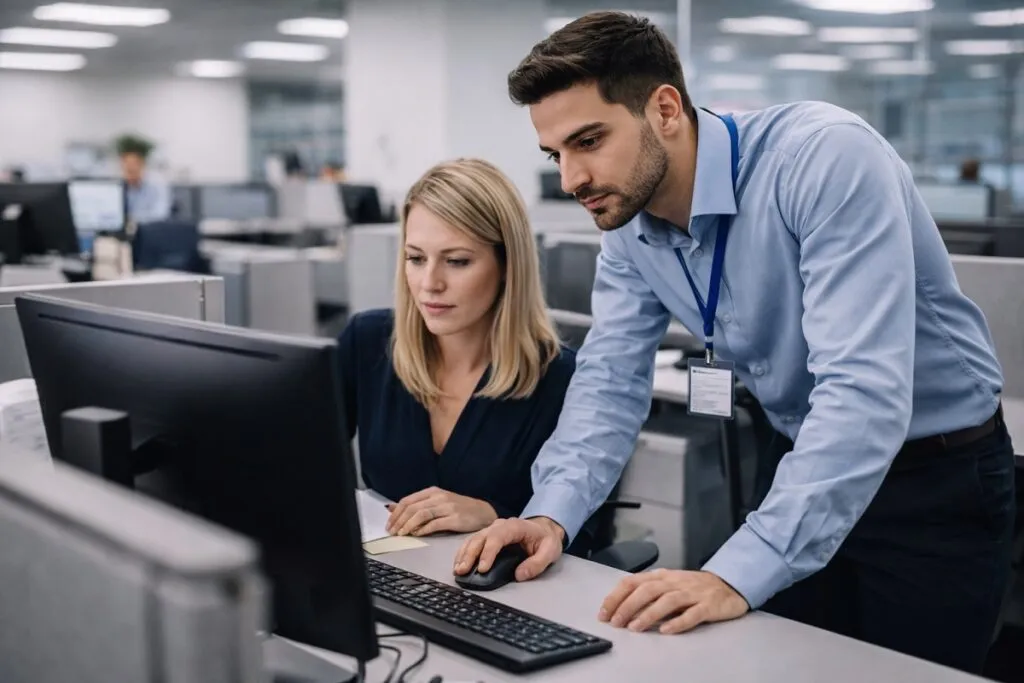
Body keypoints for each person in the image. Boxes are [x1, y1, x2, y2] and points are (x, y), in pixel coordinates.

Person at [453, 11, 1016, 674]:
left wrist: (736, 572)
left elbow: (863, 393)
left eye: (588, 140)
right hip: (803, 459)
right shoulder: (629, 229)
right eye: (556, 154)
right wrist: (549, 516)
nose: (571, 177)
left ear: (664, 107)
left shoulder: (822, 159)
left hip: (934, 478)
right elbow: (608, 382)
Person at [337, 157, 575, 536]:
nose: (430, 282)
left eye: (457, 261)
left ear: (507, 266)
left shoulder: (562, 378)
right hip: (385, 581)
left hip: (501, 587)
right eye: (416, 259)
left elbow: (589, 531)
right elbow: (302, 459)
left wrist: (493, 515)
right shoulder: (368, 341)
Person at [116, 134, 171, 224]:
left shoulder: (157, 183)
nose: (129, 174)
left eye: (132, 170)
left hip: (151, 230)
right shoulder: (122, 186)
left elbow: (161, 214)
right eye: (126, 170)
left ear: (142, 165)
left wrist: (133, 219)